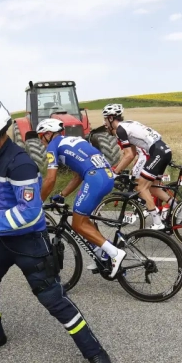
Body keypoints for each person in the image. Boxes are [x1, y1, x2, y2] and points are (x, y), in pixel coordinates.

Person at [0, 99, 113, 363]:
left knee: (54, 300)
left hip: (27, 240)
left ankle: (95, 352)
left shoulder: (20, 163)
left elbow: (29, 213)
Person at [37, 118, 126, 276]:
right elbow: (78, 176)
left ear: (48, 134)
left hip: (95, 179)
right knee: (84, 219)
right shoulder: (74, 141)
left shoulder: (53, 145)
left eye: (40, 137)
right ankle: (102, 254)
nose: (40, 141)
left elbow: (50, 179)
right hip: (106, 176)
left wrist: (37, 203)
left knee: (77, 224)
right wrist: (62, 194)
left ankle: (114, 253)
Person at [103, 103, 173, 230]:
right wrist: (118, 167)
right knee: (153, 188)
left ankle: (158, 223)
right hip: (164, 151)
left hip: (157, 152)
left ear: (111, 118)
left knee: (141, 187)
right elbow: (133, 153)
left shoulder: (120, 130)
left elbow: (129, 155)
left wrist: (115, 173)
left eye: (105, 119)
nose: (105, 123)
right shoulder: (127, 125)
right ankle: (179, 209)